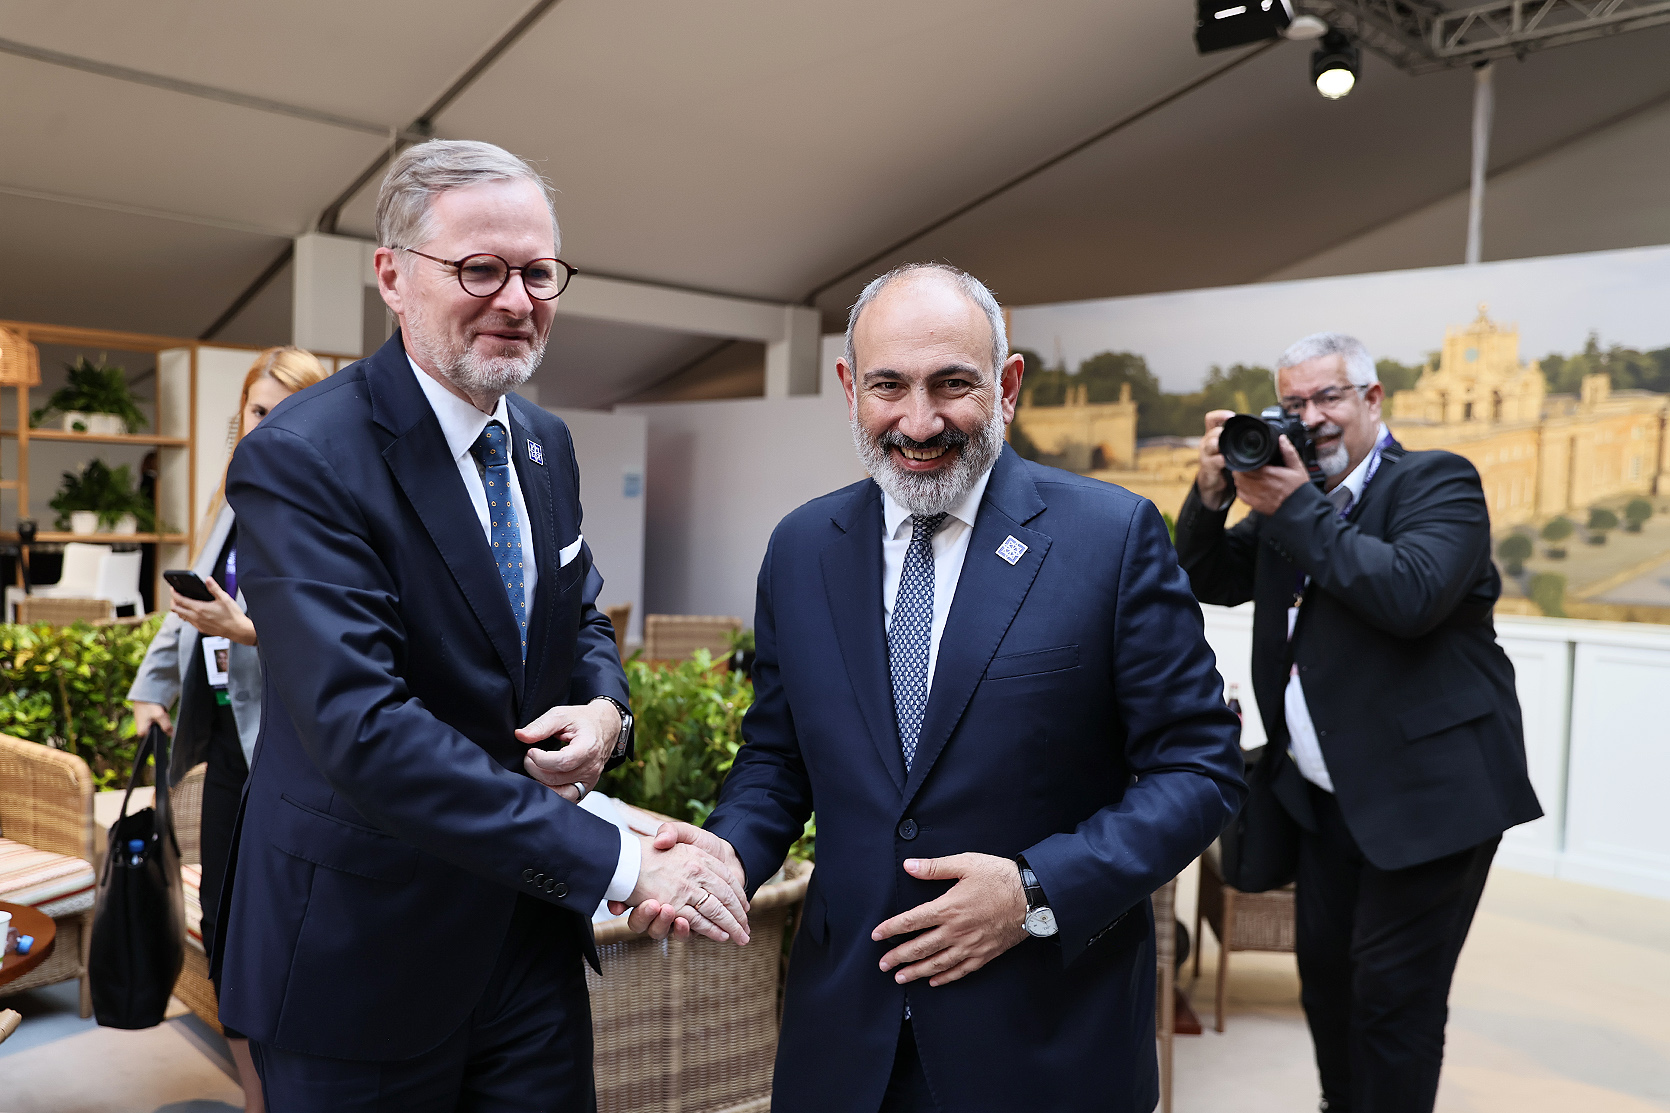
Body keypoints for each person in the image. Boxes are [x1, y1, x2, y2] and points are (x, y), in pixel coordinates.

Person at [213, 139, 749, 1111]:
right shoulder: (302, 456)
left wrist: (604, 711)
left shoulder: (544, 443)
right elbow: (363, 731)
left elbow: (579, 614)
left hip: (527, 942)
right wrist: (625, 863)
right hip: (359, 956)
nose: (516, 299)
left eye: (538, 273)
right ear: (392, 276)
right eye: (480, 269)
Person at [636, 263, 1246, 1112]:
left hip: (1046, 1044)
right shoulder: (802, 547)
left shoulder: (1110, 539)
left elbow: (1201, 769)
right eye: (889, 385)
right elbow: (778, 756)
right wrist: (729, 853)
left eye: (952, 384)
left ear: (1008, 386)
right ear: (850, 387)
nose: (919, 422)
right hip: (843, 1043)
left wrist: (1034, 889)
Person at [1172, 332, 1543, 1113]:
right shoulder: (1292, 502)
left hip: (1430, 797)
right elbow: (1208, 575)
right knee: (1328, 982)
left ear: (1372, 399)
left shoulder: (1436, 481)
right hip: (1325, 796)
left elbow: (1410, 594)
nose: (1310, 417)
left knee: (1392, 1002)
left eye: (1327, 397)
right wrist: (1211, 494)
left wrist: (1293, 503)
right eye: (1293, 403)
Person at [128, 345, 329, 1113]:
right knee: (223, 924)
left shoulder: (329, 503)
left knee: (284, 931)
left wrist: (246, 629)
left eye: (289, 411)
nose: (270, 426)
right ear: (240, 419)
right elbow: (187, 606)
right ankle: (257, 1096)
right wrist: (150, 689)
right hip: (229, 748)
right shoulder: (234, 498)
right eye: (259, 411)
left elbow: (339, 639)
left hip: (296, 751)